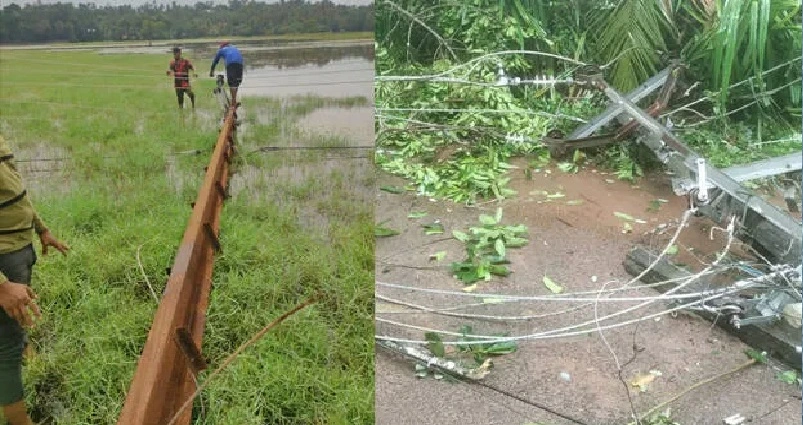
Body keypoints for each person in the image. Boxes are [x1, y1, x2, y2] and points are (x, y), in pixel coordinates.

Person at [0, 136, 68, 425]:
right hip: (3, 260)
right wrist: (2, 285)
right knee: (6, 349)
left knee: (16, 324)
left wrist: (42, 229)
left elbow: (15, 191)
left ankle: (28, 354)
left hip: (19, 249)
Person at [209, 41, 244, 108]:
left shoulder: (222, 50)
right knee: (236, 83)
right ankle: (233, 100)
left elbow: (215, 62)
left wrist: (211, 72)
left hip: (231, 64)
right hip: (240, 64)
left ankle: (233, 103)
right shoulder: (234, 48)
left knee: (232, 83)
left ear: (222, 47)